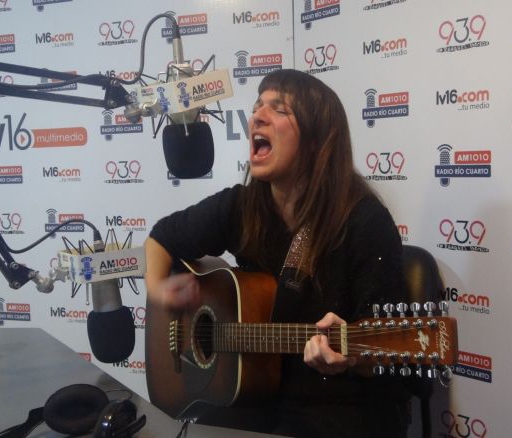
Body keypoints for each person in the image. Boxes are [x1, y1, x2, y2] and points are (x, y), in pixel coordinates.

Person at [145, 69, 412, 438]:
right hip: (258, 397)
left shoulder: (364, 221)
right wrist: (157, 289)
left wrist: (351, 354)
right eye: (257, 106)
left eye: (279, 109)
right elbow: (161, 238)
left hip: (342, 404)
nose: (257, 115)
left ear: (319, 140)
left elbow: (385, 352)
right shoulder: (242, 206)